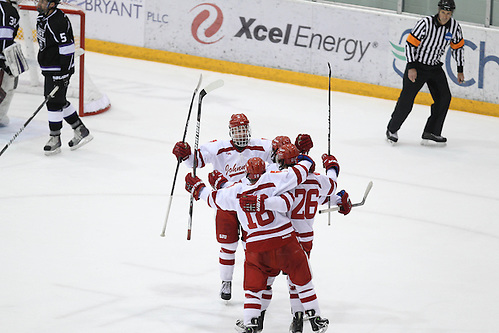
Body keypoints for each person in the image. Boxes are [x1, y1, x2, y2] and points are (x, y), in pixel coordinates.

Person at [185, 153, 330, 333]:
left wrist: (198, 189)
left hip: (256, 248)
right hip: (285, 241)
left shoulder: (236, 190)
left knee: (254, 288)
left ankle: (251, 322)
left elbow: (215, 199)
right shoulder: (274, 179)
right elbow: (290, 194)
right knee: (302, 281)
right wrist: (306, 162)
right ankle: (315, 318)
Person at [172, 113, 273, 301]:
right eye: (237, 130)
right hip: (226, 205)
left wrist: (296, 150)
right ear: (231, 132)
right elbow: (194, 162)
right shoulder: (218, 147)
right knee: (228, 245)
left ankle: (255, 284)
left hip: (249, 205)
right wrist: (186, 154)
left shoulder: (261, 146)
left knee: (250, 246)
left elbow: (280, 159)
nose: (241, 133)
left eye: (244, 129)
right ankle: (226, 281)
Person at [386, 0, 464, 145]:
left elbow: (458, 48)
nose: (445, 16)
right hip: (418, 66)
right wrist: (411, 67)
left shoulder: (454, 27)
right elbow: (410, 45)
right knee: (407, 100)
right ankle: (392, 129)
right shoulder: (425, 23)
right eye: (443, 12)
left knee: (444, 98)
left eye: (448, 14)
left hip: (435, 68)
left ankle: (431, 131)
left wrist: (460, 69)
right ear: (438, 10)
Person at [36, 0, 93, 155]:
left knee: (53, 103)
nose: (39, 3)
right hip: (50, 67)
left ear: (52, 4)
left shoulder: (58, 22)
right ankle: (80, 130)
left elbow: (67, 49)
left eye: (43, 1)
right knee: (59, 100)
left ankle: (55, 138)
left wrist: (63, 74)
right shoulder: (43, 17)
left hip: (58, 69)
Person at [0, 0, 20, 127]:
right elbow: (4, 38)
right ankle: (0, 116)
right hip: (4, 55)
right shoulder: (8, 10)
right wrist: (3, 61)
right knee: (10, 83)